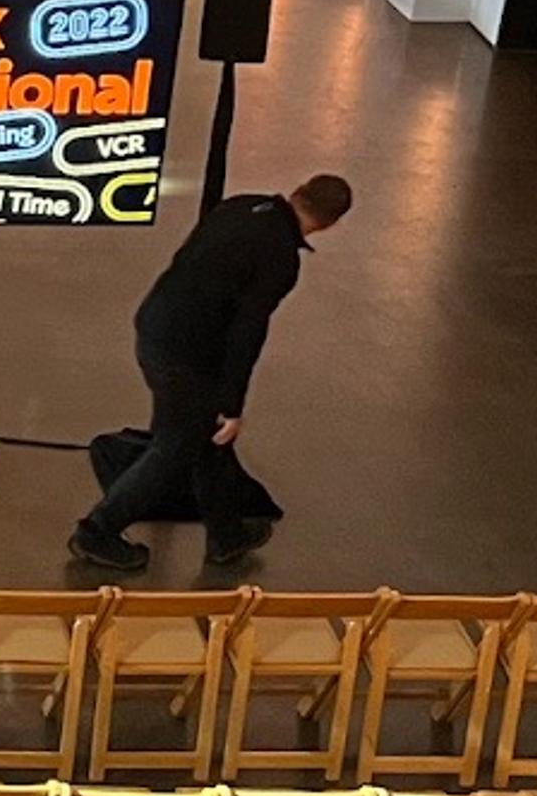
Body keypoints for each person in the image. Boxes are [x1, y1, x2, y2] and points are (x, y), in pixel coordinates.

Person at [71, 173, 354, 575]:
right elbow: (246, 334)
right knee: (175, 447)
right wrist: (232, 405)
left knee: (205, 436)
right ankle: (96, 531)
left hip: (156, 323)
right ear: (330, 223)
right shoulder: (280, 259)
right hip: (185, 355)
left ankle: (227, 534)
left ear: (297, 192)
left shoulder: (240, 205)